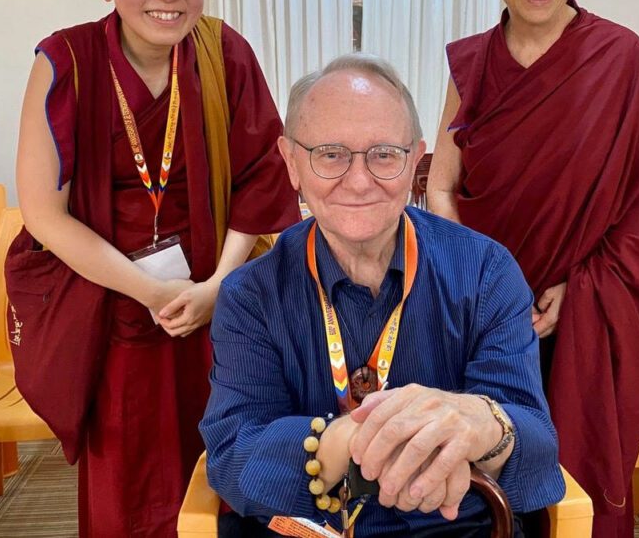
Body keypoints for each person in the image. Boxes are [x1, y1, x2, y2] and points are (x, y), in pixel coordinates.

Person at [13, 0, 300, 536]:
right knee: (128, 480)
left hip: (217, 306)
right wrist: (151, 291)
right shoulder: (66, 62)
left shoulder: (223, 51)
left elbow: (260, 178)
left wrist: (217, 288)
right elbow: (43, 213)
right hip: (113, 306)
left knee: (222, 462)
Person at [201, 54, 565, 537]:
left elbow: (537, 450)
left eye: (384, 155)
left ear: (415, 159)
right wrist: (350, 439)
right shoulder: (251, 294)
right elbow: (235, 456)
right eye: (330, 154)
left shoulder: (485, 271)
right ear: (291, 163)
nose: (358, 181)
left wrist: (483, 424)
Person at [426, 0, 639, 538]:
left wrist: (577, 285)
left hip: (582, 313)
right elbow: (442, 188)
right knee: (478, 477)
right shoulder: (469, 64)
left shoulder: (620, 58)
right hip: (482, 313)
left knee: (571, 485)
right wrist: (477, 287)